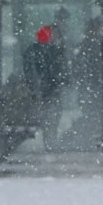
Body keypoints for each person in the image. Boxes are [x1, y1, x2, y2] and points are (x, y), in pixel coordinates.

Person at [22, 12, 69, 151]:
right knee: (51, 118)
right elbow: (54, 71)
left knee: (49, 118)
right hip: (47, 91)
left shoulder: (36, 50)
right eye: (54, 35)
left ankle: (49, 142)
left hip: (44, 91)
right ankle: (50, 143)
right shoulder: (49, 51)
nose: (57, 38)